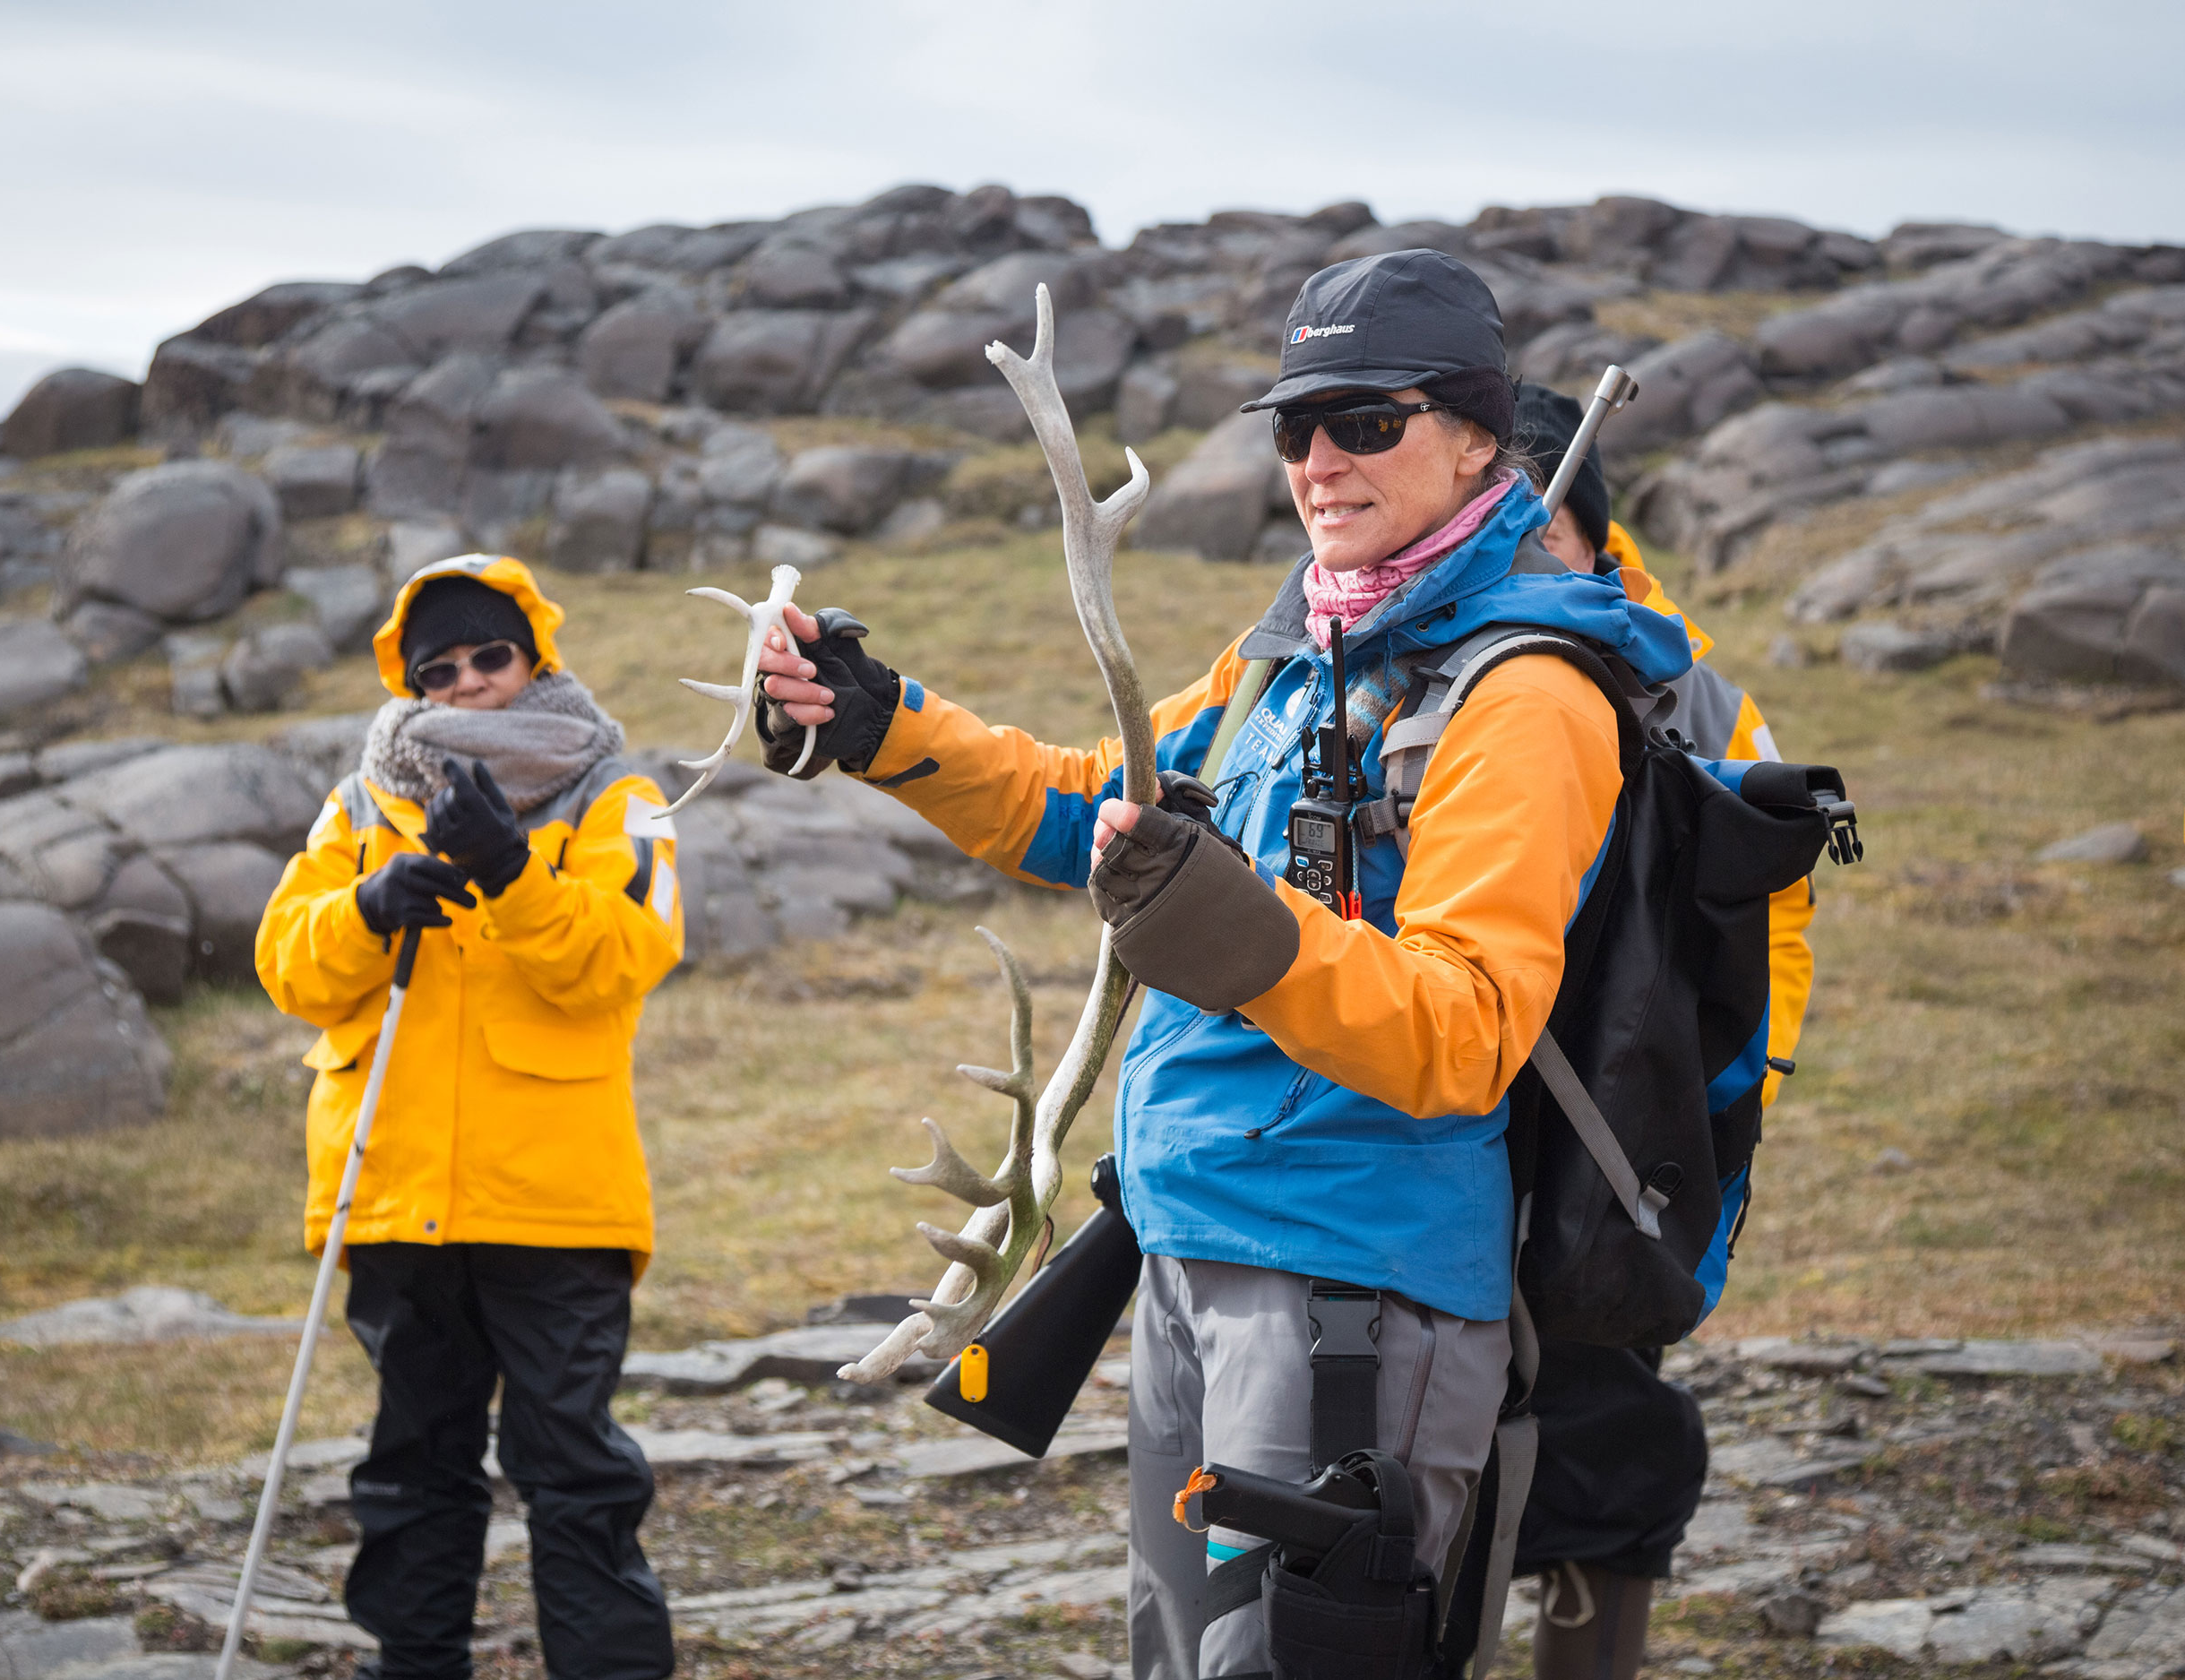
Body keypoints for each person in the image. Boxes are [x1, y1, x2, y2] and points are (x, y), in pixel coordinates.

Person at [751, 252, 1695, 1680]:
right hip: (1194, 1246)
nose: (1321, 459)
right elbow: (1098, 806)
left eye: (1366, 421)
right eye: (1294, 425)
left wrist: (1241, 935)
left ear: (1477, 437)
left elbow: (1466, 1032)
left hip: (1351, 1288)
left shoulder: (1526, 693)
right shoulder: (1293, 648)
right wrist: (886, 725)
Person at [1428, 384, 1817, 1680]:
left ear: (1596, 536)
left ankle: (1587, 1637)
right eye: (1500, 527)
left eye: (1545, 532)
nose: (1521, 556)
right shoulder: (1407, 646)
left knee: (1599, 1380)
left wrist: (1743, 1081)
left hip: (1617, 1111)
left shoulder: (1691, 690)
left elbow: (1776, 917)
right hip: (1443, 1095)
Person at [255, 555, 684, 1680]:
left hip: (557, 1204)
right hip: (396, 1196)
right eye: (439, 668)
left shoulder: (617, 798)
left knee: (575, 1471)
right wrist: (365, 907)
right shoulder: (360, 804)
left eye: (490, 656)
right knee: (412, 1465)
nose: (469, 683)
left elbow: (622, 958)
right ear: (415, 681)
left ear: (531, 656)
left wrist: (510, 874)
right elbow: (288, 966)